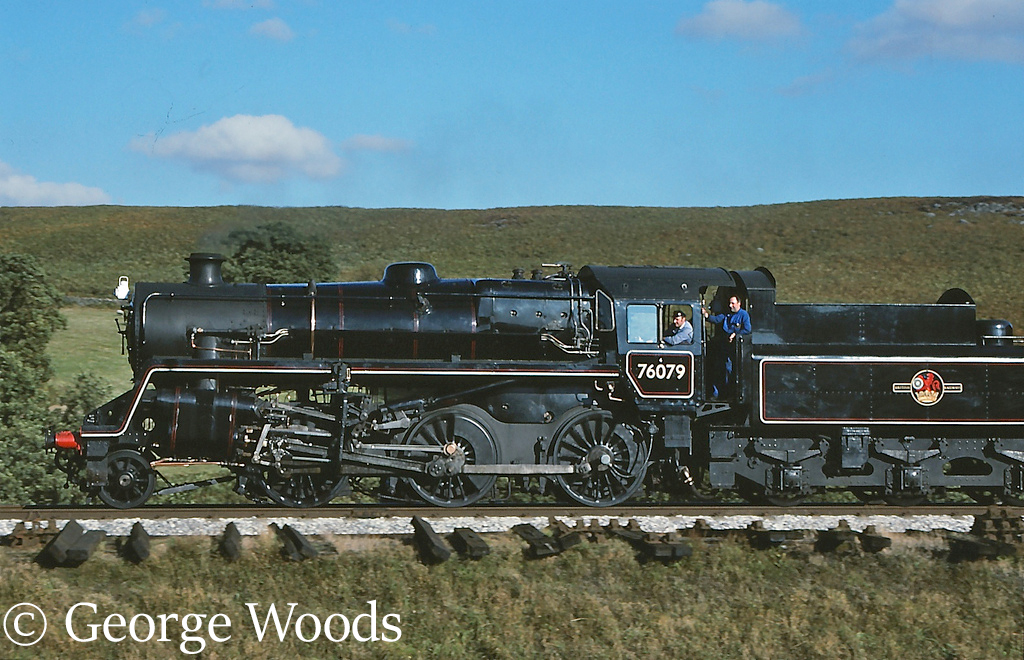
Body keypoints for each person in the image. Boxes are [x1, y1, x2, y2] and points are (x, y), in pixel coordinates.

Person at [702, 295, 751, 397]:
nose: (730, 305)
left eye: (733, 303)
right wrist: (706, 315)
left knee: (730, 370)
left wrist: (736, 335)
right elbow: (716, 320)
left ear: (739, 303)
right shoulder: (726, 314)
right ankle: (717, 393)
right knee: (719, 368)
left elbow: (747, 329)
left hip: (736, 349)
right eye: (730, 303)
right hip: (724, 347)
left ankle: (728, 392)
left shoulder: (743, 315)